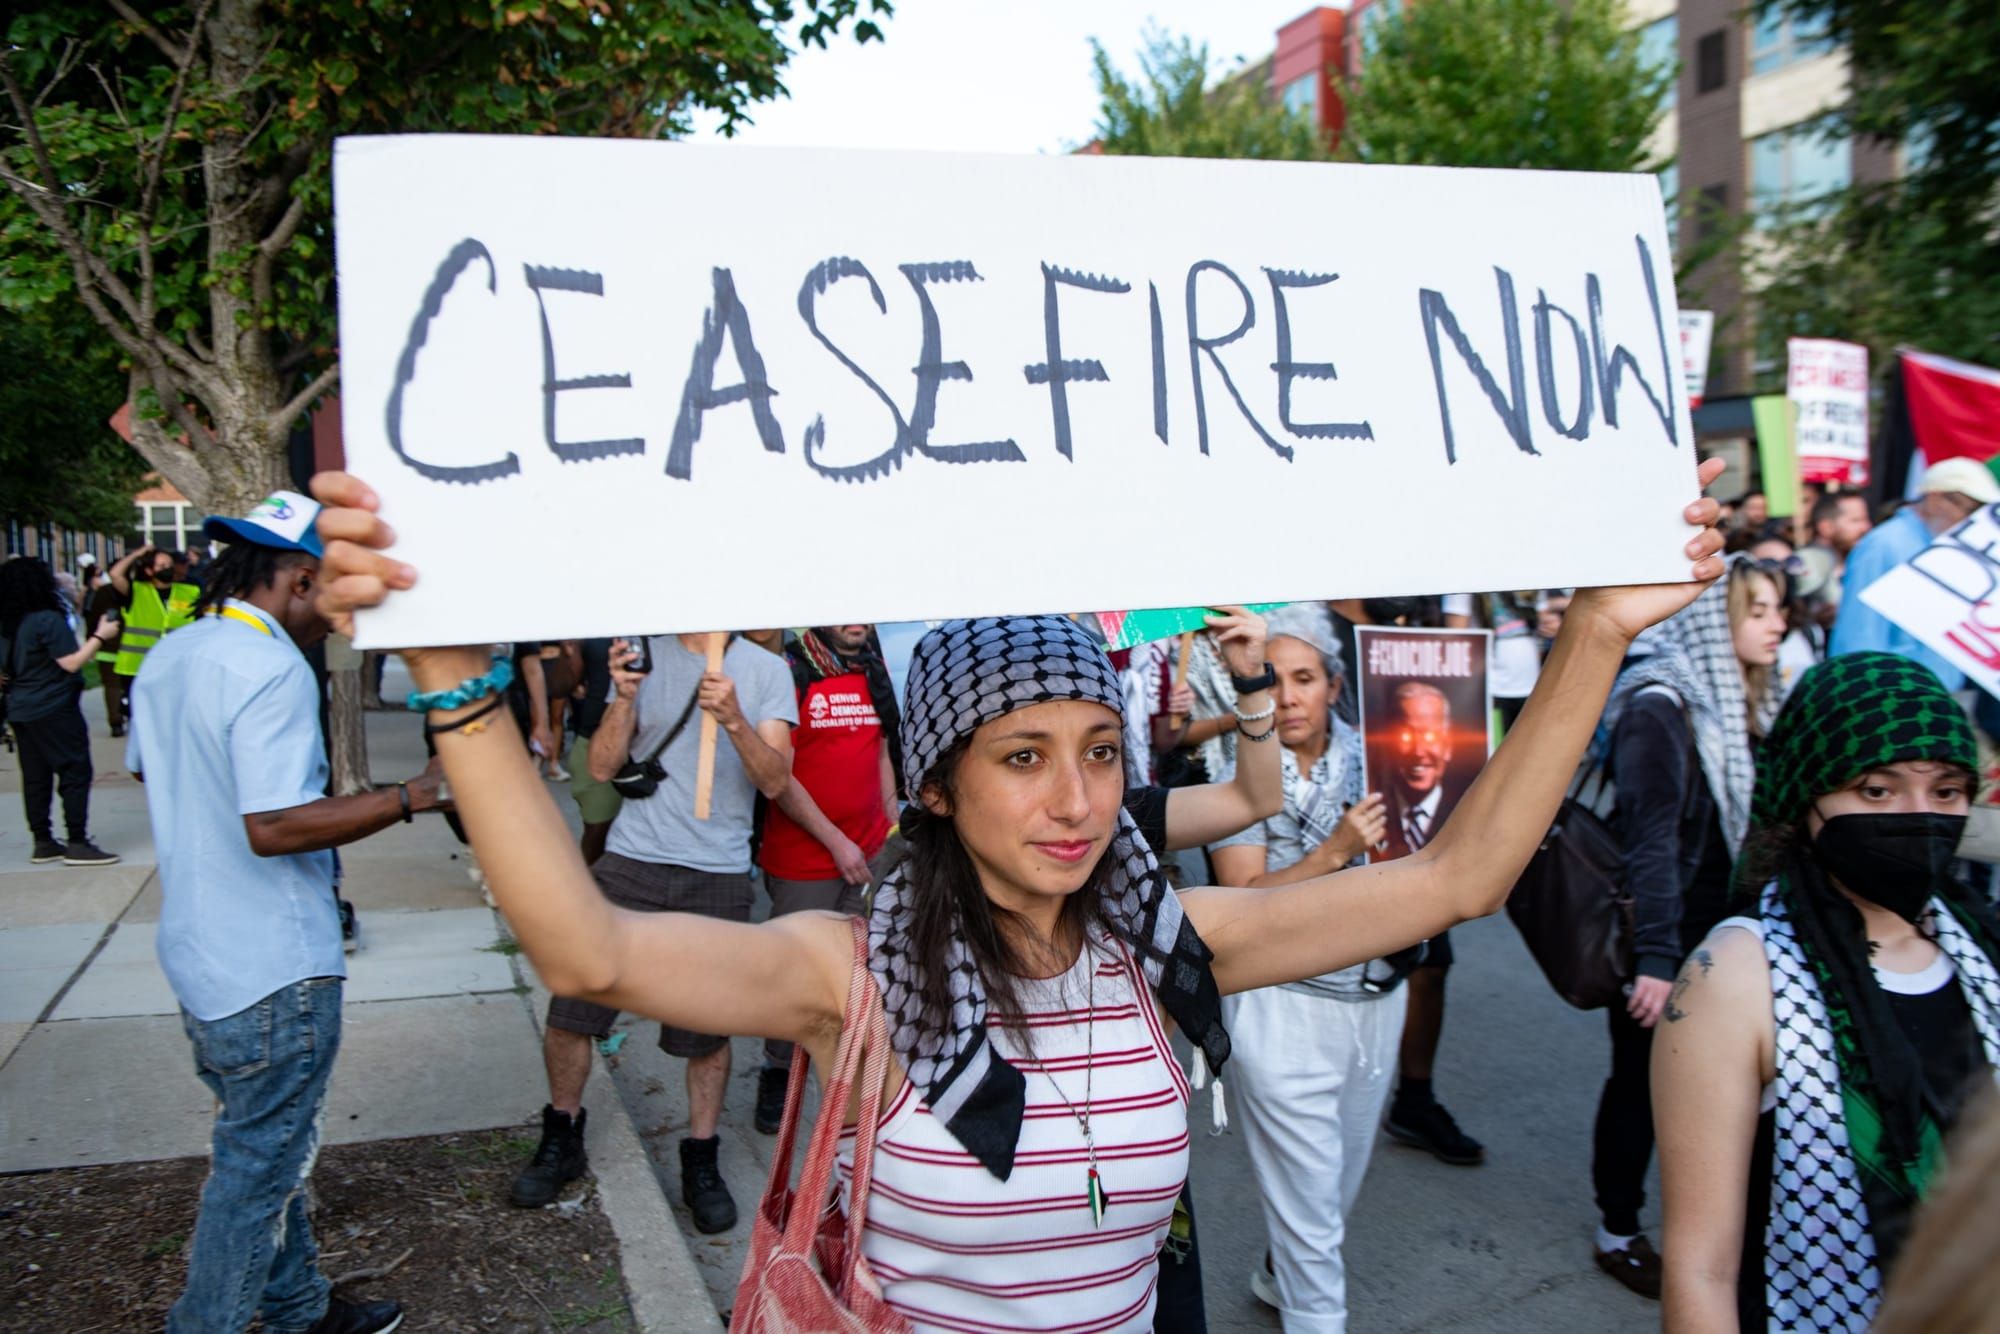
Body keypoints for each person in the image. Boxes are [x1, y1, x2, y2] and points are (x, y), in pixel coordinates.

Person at [310, 461, 1725, 1334]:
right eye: (1024, 757)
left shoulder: (1171, 942)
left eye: (1102, 751)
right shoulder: (846, 974)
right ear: (936, 785)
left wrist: (1597, 628)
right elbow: (589, 947)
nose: (1078, 799)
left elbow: (1460, 875)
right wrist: (455, 681)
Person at [130, 492, 443, 1334]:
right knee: (258, 1170)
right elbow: (272, 825)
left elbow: (154, 771)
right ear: (302, 579)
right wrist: (411, 796)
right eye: (338, 595)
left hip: (200, 952)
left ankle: (300, 1307)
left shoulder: (176, 650)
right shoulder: (270, 667)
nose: (345, 618)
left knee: (263, 1147)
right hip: (272, 963)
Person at [1654, 651, 2000, 1332]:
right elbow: (1701, 1269)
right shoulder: (1737, 976)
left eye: (1946, 790)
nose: (1918, 815)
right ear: (1805, 794)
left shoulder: (1979, 946)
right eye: (1877, 790)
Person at [510, 628, 796, 1232]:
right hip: (632, 860)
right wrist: (623, 696)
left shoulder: (766, 670)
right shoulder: (642, 654)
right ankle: (562, 1133)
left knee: (706, 1033)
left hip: (717, 870)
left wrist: (735, 719)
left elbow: (775, 780)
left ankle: (702, 1157)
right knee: (571, 1012)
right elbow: (601, 766)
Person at [1588, 558, 1785, 1298]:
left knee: (1733, 1088)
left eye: (1780, 610)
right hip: (1665, 937)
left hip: (1730, 931)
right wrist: (1657, 958)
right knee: (1642, 1085)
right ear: (1714, 619)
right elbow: (1651, 844)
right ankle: (1617, 1228)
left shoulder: (1746, 702)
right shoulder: (1659, 705)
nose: (1777, 625)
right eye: (1758, 610)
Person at [1207, 605, 1399, 1328]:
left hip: (1377, 997)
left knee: (1332, 1190)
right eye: (1273, 679)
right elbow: (1243, 899)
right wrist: (1334, 853)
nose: (1288, 697)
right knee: (1315, 1215)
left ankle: (1276, 1273)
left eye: (1305, 679)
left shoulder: (1383, 755)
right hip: (1282, 1003)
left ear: (1335, 686)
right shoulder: (1239, 769)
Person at [751, 624, 900, 1133]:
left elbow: (880, 752)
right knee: (791, 975)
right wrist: (837, 842)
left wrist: (890, 825)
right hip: (804, 862)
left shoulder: (872, 668)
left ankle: (848, 1080)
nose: (856, 623)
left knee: (856, 976)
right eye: (843, 613)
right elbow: (780, 776)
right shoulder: (790, 671)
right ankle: (776, 1071)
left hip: (870, 854)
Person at [1368, 677, 1485, 1168]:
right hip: (1356, 843)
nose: (1418, 747)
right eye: (1406, 732)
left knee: (1431, 966)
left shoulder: (1453, 794)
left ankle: (1415, 1099)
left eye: (1431, 733)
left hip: (1421, 857)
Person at [1830, 458, 2000, 689]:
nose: (1973, 520)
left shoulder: (1941, 544)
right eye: (1970, 509)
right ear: (1935, 498)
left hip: (1931, 694)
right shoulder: (1885, 544)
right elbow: (1859, 633)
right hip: (1893, 695)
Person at [0, 557, 122, 866]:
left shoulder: (7, 623)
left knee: (35, 776)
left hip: (20, 708)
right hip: (54, 706)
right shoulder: (47, 620)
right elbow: (71, 662)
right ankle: (77, 842)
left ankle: (42, 841)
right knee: (74, 771)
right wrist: (101, 635)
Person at [107, 543, 200, 706]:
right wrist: (137, 553)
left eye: (170, 565)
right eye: (162, 566)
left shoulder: (191, 592)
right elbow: (115, 574)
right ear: (149, 570)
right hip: (137, 667)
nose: (167, 568)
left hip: (175, 667)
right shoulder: (136, 590)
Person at [565, 637, 622, 865]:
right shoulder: (591, 632)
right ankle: (588, 882)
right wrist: (569, 651)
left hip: (654, 740)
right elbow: (562, 686)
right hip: (595, 738)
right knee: (598, 829)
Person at [1797, 491, 1871, 623]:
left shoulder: (1859, 562)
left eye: (1866, 519)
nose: (1866, 527)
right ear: (1826, 527)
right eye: (1855, 520)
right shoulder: (1808, 561)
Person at [85, 557, 131, 736]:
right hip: (132, 647)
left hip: (107, 646)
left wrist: (91, 640)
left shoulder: (103, 592)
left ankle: (115, 721)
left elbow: (93, 617)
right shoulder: (138, 591)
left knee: (112, 686)